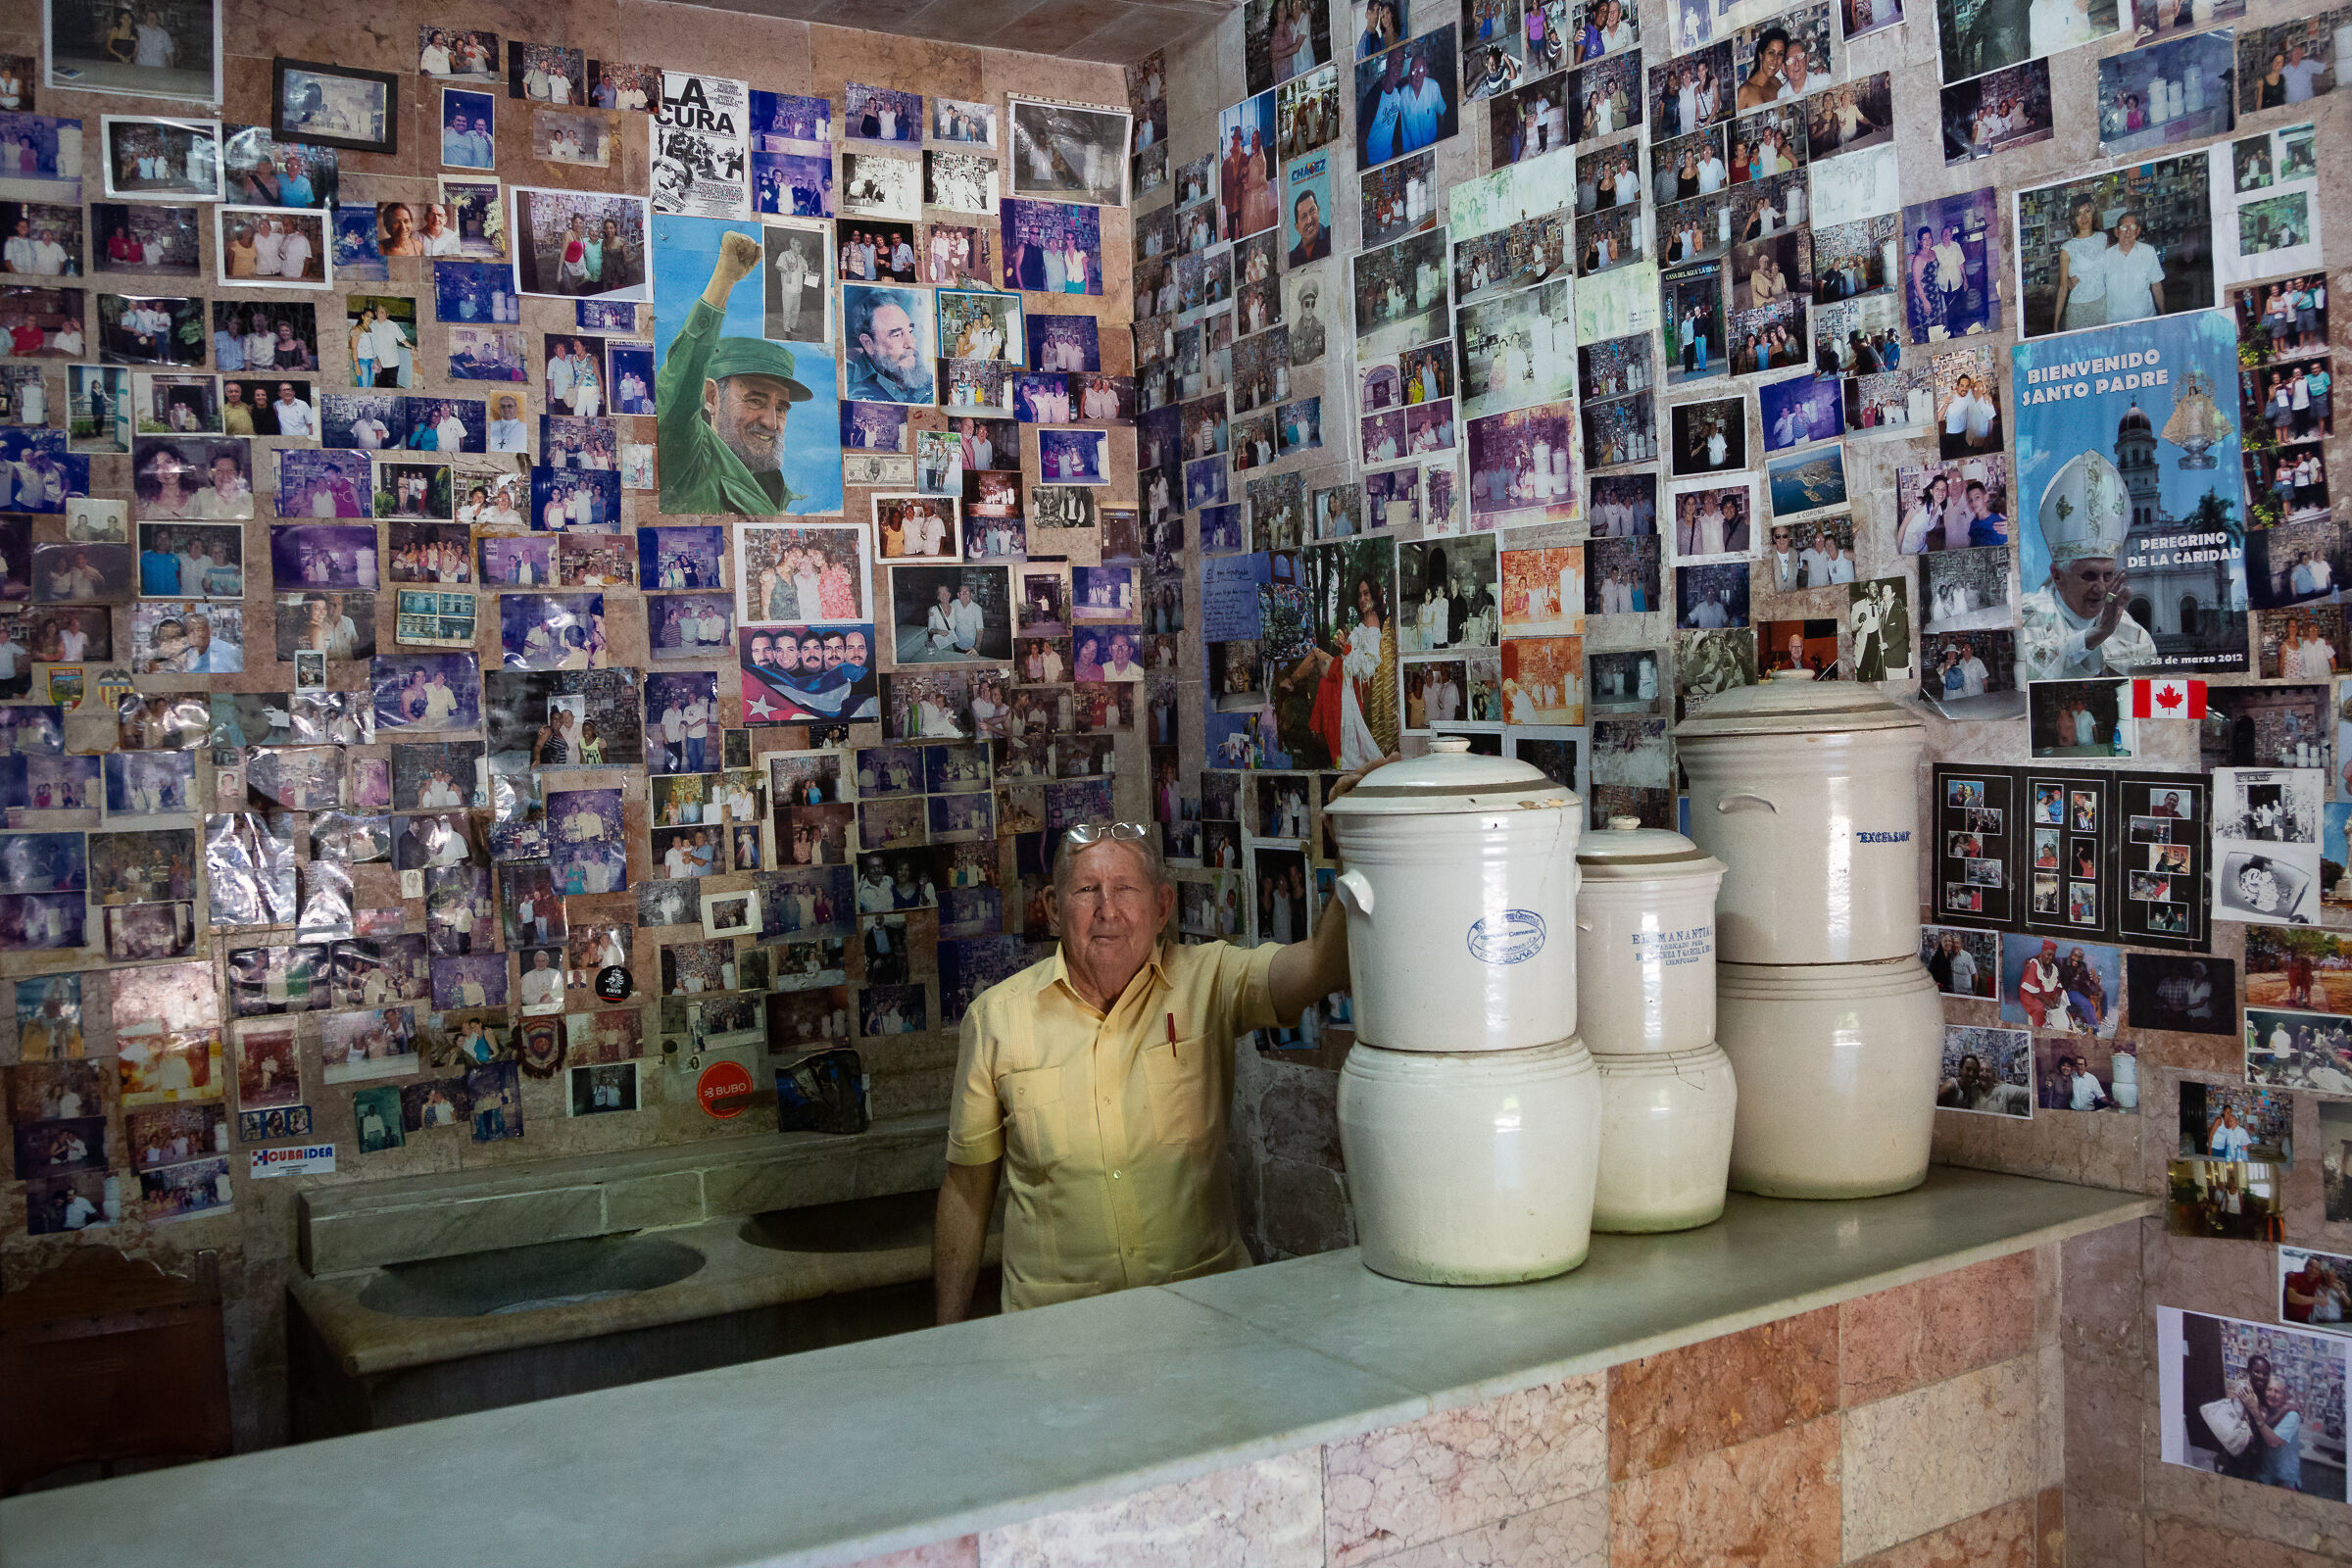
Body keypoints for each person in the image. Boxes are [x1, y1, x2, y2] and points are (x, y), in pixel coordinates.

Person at [933, 779, 1385, 1319]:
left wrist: (1356, 843)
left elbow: (1320, 967)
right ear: (1053, 907)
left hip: (1203, 1319)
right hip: (1056, 1338)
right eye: (1086, 890)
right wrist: (946, 1339)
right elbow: (966, 1190)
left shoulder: (1209, 980)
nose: (1108, 909)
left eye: (1126, 889)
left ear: (1162, 904)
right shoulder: (996, 1020)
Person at [658, 231, 818, 514]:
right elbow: (676, 394)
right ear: (711, 396)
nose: (771, 422)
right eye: (755, 400)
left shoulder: (774, 491)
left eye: (781, 408)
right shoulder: (689, 461)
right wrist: (723, 280)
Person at [2017, 450, 2157, 684]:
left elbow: (2146, 679)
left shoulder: (2131, 632)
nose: (2101, 588)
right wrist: (2094, 637)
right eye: (2089, 575)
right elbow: (2025, 673)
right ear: (2057, 575)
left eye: (2108, 575)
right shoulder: (2026, 617)